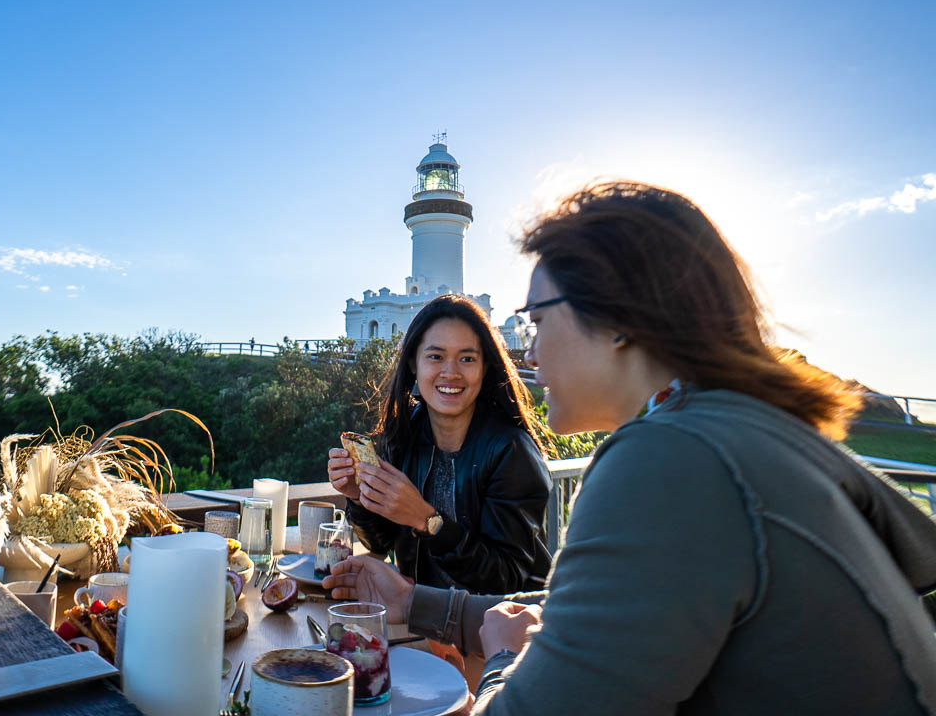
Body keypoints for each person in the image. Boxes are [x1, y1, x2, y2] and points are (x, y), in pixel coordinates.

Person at [324, 181, 936, 714]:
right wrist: (416, 601)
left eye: (537, 318)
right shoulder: (741, 432)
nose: (528, 354)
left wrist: (507, 661)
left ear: (617, 320)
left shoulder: (669, 462)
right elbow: (579, 608)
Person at [327, 293, 553, 595]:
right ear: (413, 364)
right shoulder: (405, 435)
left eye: (467, 358)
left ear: (485, 368)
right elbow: (380, 543)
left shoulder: (511, 451)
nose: (451, 372)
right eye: (435, 356)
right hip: (421, 625)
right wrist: (360, 497)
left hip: (501, 632)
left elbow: (507, 578)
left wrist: (426, 520)